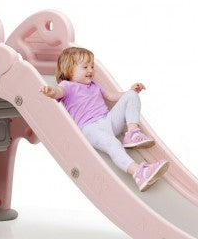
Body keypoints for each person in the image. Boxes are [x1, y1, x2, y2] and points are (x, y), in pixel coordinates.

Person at [39, 47, 169, 191]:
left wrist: (130, 91)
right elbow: (59, 92)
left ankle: (133, 133)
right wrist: (51, 92)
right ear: (69, 70)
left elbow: (111, 96)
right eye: (85, 67)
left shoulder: (94, 85)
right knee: (113, 144)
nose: (90, 70)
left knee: (132, 95)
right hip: (91, 128)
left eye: (92, 66)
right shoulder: (67, 85)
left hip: (108, 120)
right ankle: (139, 172)